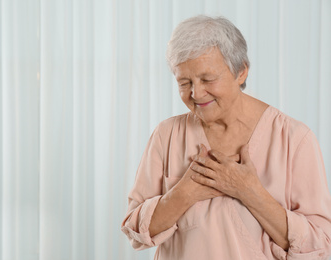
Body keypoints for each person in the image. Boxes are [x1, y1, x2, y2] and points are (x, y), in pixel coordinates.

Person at [121, 15, 331, 259]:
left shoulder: (295, 139)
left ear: (241, 71)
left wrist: (250, 192)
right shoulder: (166, 135)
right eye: (184, 82)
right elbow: (134, 230)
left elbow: (321, 245)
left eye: (207, 79)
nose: (196, 93)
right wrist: (184, 193)